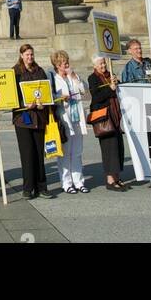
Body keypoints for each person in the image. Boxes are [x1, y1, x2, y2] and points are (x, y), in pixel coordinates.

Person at [12, 43, 54, 199]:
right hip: (23, 119)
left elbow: (45, 91)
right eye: (27, 54)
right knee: (27, 153)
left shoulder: (39, 70)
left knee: (38, 152)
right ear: (21, 55)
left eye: (31, 54)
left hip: (39, 117)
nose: (30, 57)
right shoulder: (15, 72)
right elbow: (12, 96)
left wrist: (44, 102)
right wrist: (24, 104)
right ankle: (28, 188)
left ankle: (41, 187)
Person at [50, 50, 88, 194]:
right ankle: (66, 182)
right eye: (63, 63)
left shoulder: (73, 76)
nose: (66, 65)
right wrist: (61, 97)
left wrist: (73, 76)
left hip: (77, 117)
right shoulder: (54, 78)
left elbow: (84, 90)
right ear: (57, 65)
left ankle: (79, 181)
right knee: (65, 153)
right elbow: (52, 97)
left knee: (77, 152)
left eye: (67, 62)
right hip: (64, 117)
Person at [88, 56, 127, 191]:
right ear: (95, 66)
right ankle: (110, 180)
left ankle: (117, 177)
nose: (103, 65)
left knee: (117, 148)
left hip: (115, 116)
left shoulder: (110, 74)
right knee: (109, 148)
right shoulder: (93, 78)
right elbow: (96, 97)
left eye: (104, 63)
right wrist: (110, 88)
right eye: (100, 64)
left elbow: (118, 89)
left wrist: (117, 83)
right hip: (104, 119)